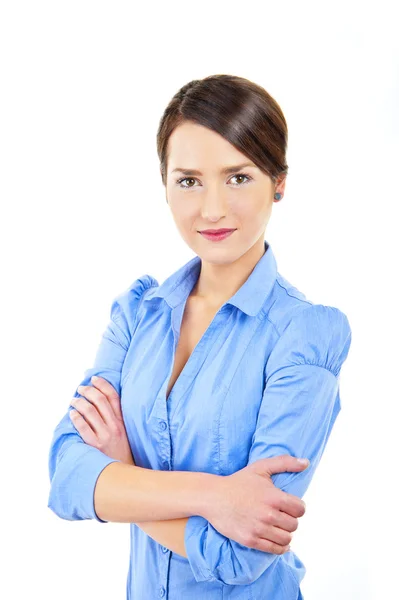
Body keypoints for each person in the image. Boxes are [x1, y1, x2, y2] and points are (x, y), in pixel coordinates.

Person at [47, 74, 352, 600]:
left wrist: (121, 477)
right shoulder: (137, 313)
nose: (211, 209)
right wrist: (217, 498)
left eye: (238, 177)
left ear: (279, 181)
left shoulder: (304, 335)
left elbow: (242, 555)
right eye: (189, 180)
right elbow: (68, 479)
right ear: (163, 184)